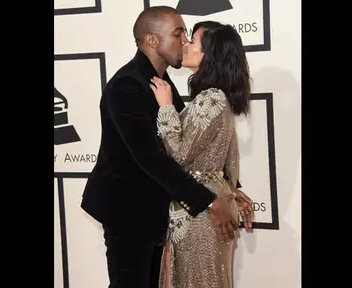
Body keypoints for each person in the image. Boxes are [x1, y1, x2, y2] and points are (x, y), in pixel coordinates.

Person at [80, 7, 252, 288]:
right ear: (152, 40)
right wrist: (210, 201)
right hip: (127, 211)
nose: (185, 40)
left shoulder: (161, 81)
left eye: (186, 34)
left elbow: (194, 144)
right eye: (178, 33)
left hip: (157, 209)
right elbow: (151, 158)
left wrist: (228, 188)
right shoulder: (127, 85)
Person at [149, 21, 253, 287]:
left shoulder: (211, 98)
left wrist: (165, 108)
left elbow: (180, 153)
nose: (185, 43)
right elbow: (229, 159)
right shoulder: (217, 97)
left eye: (192, 41)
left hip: (199, 212)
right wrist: (230, 192)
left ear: (211, 54)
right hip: (210, 203)